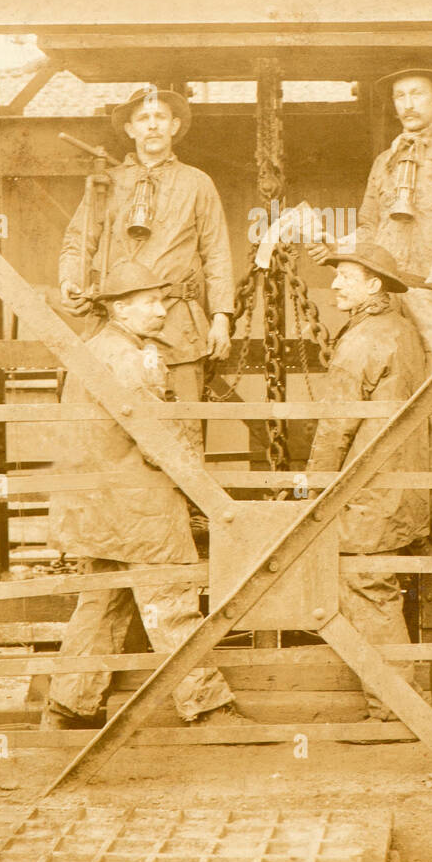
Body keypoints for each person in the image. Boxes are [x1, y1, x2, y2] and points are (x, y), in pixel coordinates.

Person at [312, 68, 432, 555]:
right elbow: (370, 225)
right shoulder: (385, 161)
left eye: (417, 94)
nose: (408, 104)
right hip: (390, 305)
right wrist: (344, 250)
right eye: (399, 96)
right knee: (388, 416)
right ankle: (398, 531)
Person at [42, 262, 251, 730]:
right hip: (139, 510)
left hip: (99, 507)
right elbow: (160, 441)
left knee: (101, 606)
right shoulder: (135, 359)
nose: (162, 310)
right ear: (121, 308)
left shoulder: (94, 349)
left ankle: (68, 707)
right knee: (172, 604)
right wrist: (205, 495)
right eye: (152, 302)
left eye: (164, 300)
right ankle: (210, 708)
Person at [58, 85, 234, 454]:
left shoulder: (197, 183)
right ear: (130, 130)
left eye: (160, 118)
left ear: (174, 126)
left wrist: (220, 316)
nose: (152, 126)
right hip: (117, 325)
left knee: (183, 427)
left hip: (178, 324)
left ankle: (191, 511)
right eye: (143, 119)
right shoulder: (108, 182)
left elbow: (216, 252)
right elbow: (79, 239)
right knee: (114, 424)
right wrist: (70, 281)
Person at [306, 240, 430, 724]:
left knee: (366, 586)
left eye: (346, 277)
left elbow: (337, 425)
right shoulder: (403, 330)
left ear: (373, 286)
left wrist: (311, 491)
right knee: (377, 585)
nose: (334, 283)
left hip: (372, 493)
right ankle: (395, 702)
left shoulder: (362, 340)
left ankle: (394, 709)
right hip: (401, 486)